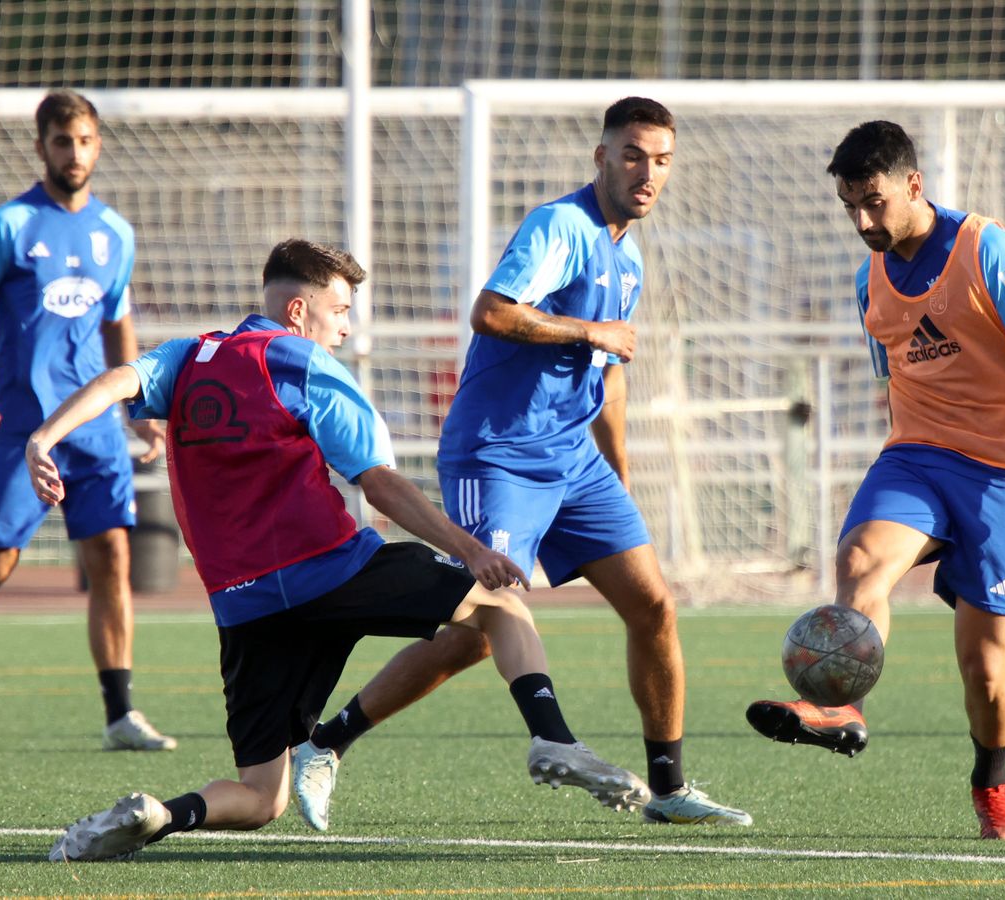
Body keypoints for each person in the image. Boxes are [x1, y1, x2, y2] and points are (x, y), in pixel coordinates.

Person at [37, 239, 641, 861]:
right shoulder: (301, 362)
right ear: (299, 311)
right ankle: (554, 739)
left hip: (244, 607)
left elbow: (116, 380)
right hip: (331, 571)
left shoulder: (190, 356)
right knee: (501, 603)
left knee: (260, 796)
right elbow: (378, 480)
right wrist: (470, 551)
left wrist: (44, 437)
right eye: (342, 309)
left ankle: (159, 815)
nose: (347, 329)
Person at [297, 97, 752, 828]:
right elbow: (492, 311)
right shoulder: (559, 227)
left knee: (654, 605)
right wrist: (586, 327)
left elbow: (606, 373)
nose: (648, 172)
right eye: (633, 154)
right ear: (601, 156)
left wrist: (619, 473)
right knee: (480, 625)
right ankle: (327, 743)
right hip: (498, 455)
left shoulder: (628, 255)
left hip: (575, 462)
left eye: (662, 159)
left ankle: (666, 789)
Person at [745, 121, 1005, 841]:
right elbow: (894, 378)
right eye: (849, 206)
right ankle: (842, 708)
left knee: (986, 672)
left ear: (913, 186)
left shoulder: (985, 249)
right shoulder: (866, 280)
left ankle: (991, 781)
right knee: (859, 561)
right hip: (919, 457)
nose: (864, 221)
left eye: (874, 201)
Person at [0, 89, 174, 752]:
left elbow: (118, 323)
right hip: (21, 429)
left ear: (98, 145)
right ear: (40, 146)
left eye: (83, 141)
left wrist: (135, 405)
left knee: (111, 555)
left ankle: (120, 713)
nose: (73, 153)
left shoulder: (116, 235)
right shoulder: (10, 226)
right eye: (60, 141)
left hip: (94, 427)